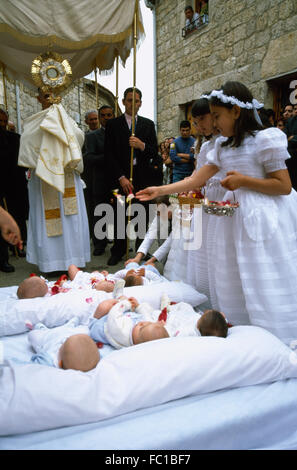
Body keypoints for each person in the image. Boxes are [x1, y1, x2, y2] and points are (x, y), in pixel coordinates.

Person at [136, 81, 297, 346]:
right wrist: (160, 189)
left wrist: (244, 181)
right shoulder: (221, 146)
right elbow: (196, 179)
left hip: (262, 220)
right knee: (231, 273)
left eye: (217, 116)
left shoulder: (264, 140)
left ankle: (273, 334)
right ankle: (239, 329)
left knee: (259, 274)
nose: (214, 122)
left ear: (235, 111)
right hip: (230, 222)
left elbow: (284, 186)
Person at [18, 89, 90, 273]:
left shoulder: (68, 120)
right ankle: (50, 262)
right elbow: (27, 145)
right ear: (38, 98)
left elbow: (79, 138)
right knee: (47, 216)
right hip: (43, 179)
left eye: (53, 94)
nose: (50, 99)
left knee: (70, 218)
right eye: (46, 95)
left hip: (67, 176)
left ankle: (74, 260)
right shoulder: (34, 122)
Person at [104, 87, 159, 265]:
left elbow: (154, 152)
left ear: (141, 103)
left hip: (142, 177)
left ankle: (141, 251)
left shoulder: (148, 125)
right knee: (120, 214)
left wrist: (142, 145)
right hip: (120, 178)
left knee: (141, 214)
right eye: (129, 100)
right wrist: (121, 177)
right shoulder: (113, 124)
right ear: (123, 102)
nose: (133, 104)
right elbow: (108, 154)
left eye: (136, 101)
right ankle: (118, 250)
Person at [89, 295, 228, 350]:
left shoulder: (119, 330)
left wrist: (123, 304)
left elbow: (113, 316)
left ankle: (92, 319)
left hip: (104, 322)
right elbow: (149, 321)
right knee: (146, 313)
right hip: (132, 321)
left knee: (106, 305)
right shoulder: (146, 334)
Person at [82, 105, 115, 256]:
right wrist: (108, 158)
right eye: (103, 116)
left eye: (109, 115)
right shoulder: (91, 137)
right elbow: (88, 158)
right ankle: (99, 244)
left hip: (117, 180)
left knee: (117, 212)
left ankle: (118, 242)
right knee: (99, 213)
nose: (106, 118)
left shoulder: (120, 134)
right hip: (100, 180)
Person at [0, 109, 28, 272]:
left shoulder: (15, 139)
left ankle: (19, 246)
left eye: (4, 121)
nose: (2, 125)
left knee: (17, 217)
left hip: (15, 186)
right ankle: (3, 258)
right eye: (0, 122)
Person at [28, 317, 100, 372]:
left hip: (51, 336)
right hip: (71, 333)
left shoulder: (50, 360)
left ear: (60, 363)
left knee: (32, 335)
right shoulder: (91, 362)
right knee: (85, 330)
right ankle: (71, 323)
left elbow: (35, 367)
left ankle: (42, 329)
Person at [125, 195, 172, 267]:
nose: (158, 215)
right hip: (165, 251)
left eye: (160, 211)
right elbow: (150, 236)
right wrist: (137, 258)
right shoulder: (160, 215)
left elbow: (169, 242)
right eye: (157, 212)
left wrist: (152, 260)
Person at [284, 107, 297, 190]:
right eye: (295, 108)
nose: (296, 111)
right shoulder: (291, 121)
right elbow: (285, 136)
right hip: (291, 156)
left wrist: (293, 137)